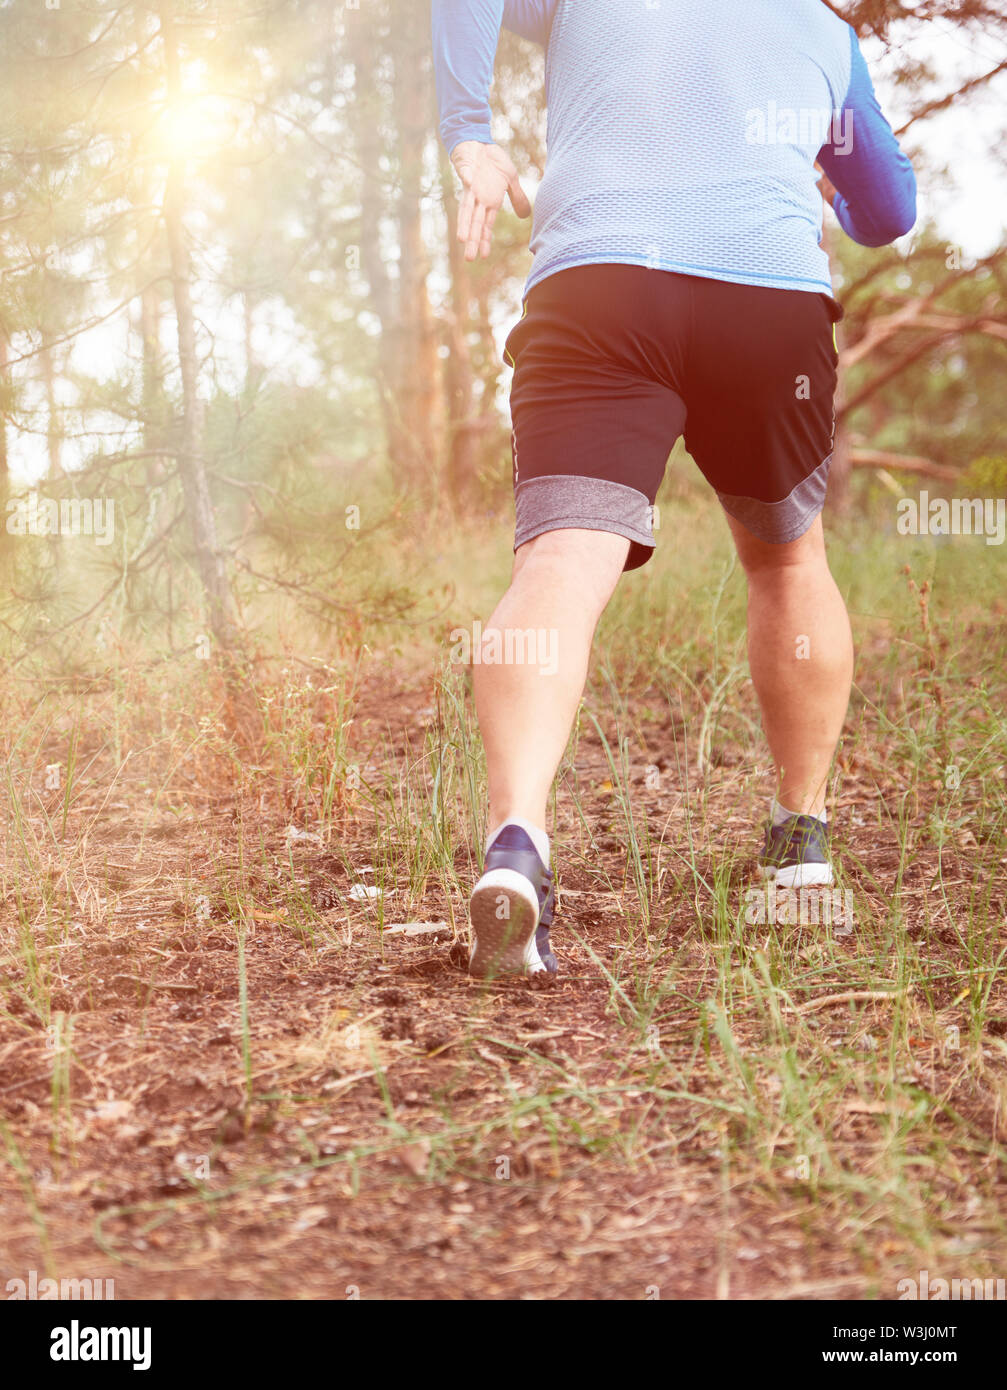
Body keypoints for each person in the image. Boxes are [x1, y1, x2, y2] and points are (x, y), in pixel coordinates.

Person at [432, 0, 916, 980]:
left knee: (560, 561)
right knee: (787, 557)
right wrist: (822, 173)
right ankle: (798, 847)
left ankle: (516, 847)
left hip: (601, 289)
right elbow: (889, 212)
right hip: (766, 305)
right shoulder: (822, 34)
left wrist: (469, 134)